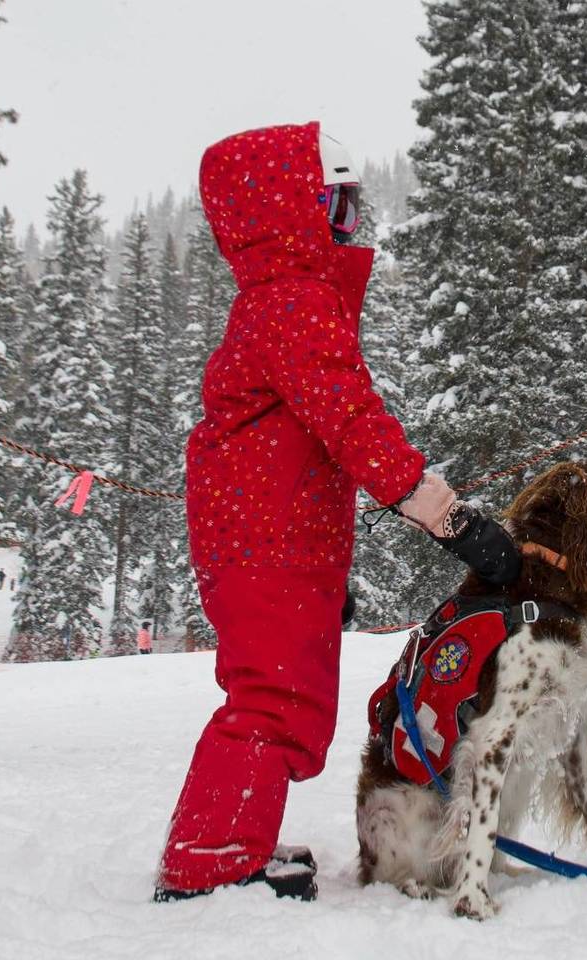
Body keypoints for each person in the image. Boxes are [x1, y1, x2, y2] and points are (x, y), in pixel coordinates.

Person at [155, 122, 520, 903]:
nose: (350, 230)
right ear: (294, 211)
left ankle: (234, 839)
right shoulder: (293, 303)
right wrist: (450, 519)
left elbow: (299, 450)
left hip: (270, 542)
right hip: (266, 546)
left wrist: (326, 575)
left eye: (356, 210)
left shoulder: (280, 304)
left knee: (290, 700)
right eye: (338, 209)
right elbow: (355, 426)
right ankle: (210, 860)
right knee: (274, 703)